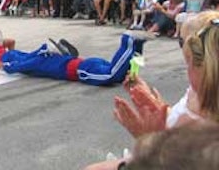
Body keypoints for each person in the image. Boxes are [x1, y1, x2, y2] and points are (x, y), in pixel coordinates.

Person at [86, 10, 219, 170]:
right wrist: (157, 107)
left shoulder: (206, 134)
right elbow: (177, 121)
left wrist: (150, 138)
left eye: (182, 42)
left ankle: (129, 42)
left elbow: (179, 161)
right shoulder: (198, 91)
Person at [1, 33, 146, 86]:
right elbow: (24, 59)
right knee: (121, 77)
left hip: (81, 70)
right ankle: (139, 46)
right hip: (86, 63)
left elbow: (18, 66)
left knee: (111, 75)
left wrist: (5, 65)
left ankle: (128, 41)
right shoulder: (40, 56)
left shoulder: (38, 60)